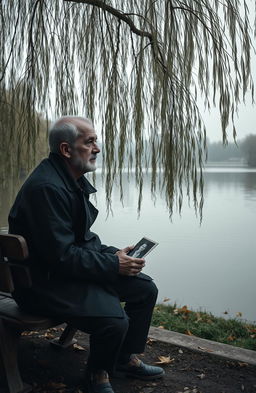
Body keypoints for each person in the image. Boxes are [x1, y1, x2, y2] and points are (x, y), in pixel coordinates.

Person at [8, 116, 164, 393]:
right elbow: (62, 257)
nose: (97, 148)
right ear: (66, 150)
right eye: (89, 141)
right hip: (40, 284)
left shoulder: (68, 178)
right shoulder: (48, 188)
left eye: (95, 141)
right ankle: (97, 374)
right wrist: (113, 265)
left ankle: (123, 360)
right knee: (115, 322)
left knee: (144, 288)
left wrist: (114, 254)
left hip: (61, 273)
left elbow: (80, 242)